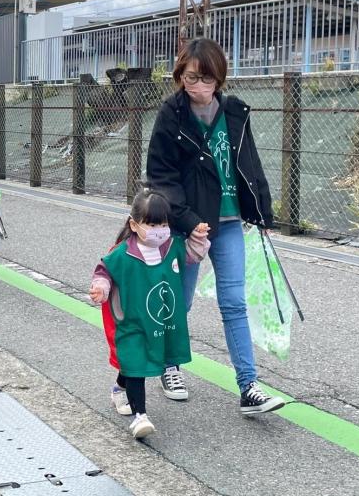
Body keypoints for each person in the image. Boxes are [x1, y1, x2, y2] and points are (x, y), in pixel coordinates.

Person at [146, 37, 285, 416]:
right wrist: (188, 224)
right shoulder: (171, 114)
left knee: (234, 302)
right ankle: (169, 366)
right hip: (187, 225)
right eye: (191, 79)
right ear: (180, 76)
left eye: (206, 79)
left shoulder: (235, 111)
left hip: (227, 222)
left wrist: (261, 213)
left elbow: (250, 165)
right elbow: (161, 175)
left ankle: (248, 387)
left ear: (219, 77)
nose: (199, 88)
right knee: (181, 301)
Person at [89, 189, 209, 439]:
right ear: (134, 224)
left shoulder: (172, 246)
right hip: (132, 321)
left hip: (160, 321)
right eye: (152, 224)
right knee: (135, 361)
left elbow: (194, 255)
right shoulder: (123, 253)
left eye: (163, 224)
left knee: (137, 363)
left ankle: (118, 388)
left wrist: (198, 237)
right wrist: (101, 288)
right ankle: (140, 416)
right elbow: (104, 272)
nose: (159, 230)